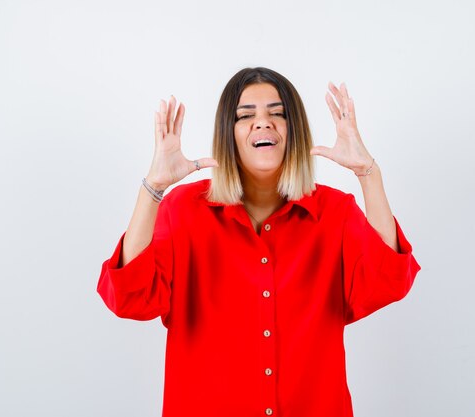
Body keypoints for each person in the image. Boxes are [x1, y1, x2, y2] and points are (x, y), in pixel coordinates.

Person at [97, 67, 420, 417]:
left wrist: (367, 173)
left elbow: (387, 282)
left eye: (277, 114)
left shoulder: (334, 212)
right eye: (245, 116)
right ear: (228, 134)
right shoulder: (182, 210)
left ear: (294, 131)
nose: (263, 123)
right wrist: (154, 189)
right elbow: (130, 299)